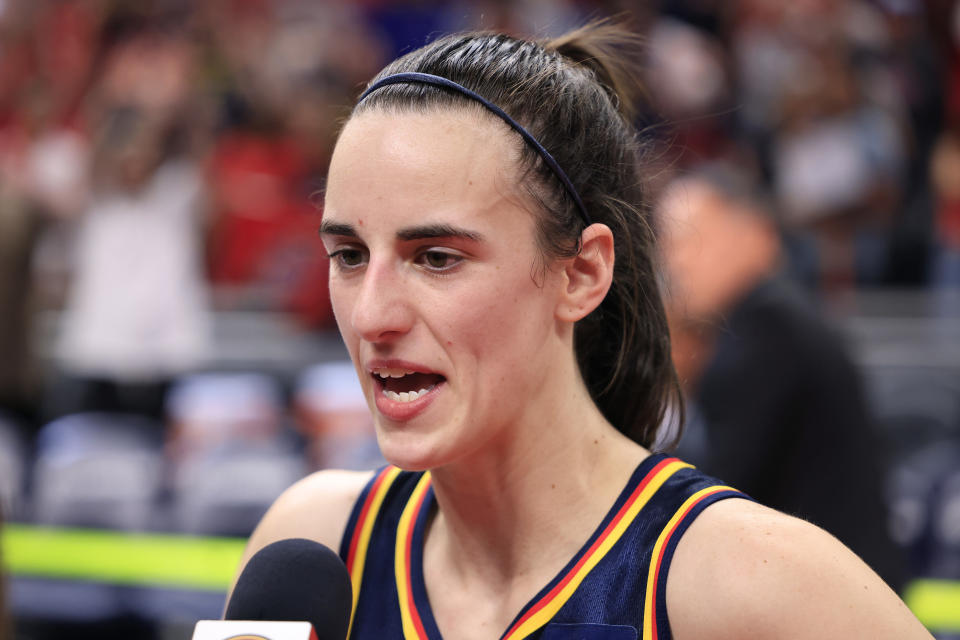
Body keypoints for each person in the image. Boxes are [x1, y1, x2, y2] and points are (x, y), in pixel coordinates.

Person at [232, 23, 932, 639]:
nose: (370, 315)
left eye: (437, 258)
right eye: (349, 255)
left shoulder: (747, 581)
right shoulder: (312, 546)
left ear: (582, 273)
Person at [658, 166, 905, 592]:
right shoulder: (780, 317)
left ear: (753, 234)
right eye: (667, 243)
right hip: (839, 586)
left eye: (689, 239)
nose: (673, 260)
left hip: (830, 600)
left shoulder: (769, 330)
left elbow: (713, 492)